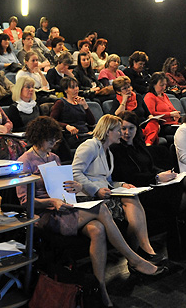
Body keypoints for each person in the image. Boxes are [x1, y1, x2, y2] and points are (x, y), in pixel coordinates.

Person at [17, 116, 164, 308]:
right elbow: (24, 201)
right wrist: (50, 201)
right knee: (102, 208)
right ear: (38, 137)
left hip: (65, 207)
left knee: (97, 230)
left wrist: (75, 187)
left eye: (55, 138)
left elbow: (63, 186)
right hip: (45, 215)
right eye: (50, 138)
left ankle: (100, 291)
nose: (54, 142)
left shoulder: (54, 158)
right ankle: (135, 260)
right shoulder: (25, 161)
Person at [112, 111, 186, 260]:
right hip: (142, 192)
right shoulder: (116, 149)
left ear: (137, 129)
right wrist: (156, 177)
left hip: (155, 185)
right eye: (123, 128)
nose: (126, 132)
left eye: (131, 128)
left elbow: (151, 166)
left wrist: (165, 173)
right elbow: (128, 177)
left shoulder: (139, 144)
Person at [72, 114, 167, 266]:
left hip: (103, 193)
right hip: (87, 197)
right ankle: (142, 251)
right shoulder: (89, 146)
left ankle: (143, 249)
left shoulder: (107, 151)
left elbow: (108, 181)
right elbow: (75, 173)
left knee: (132, 197)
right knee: (131, 204)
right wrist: (96, 190)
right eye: (118, 130)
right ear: (108, 131)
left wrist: (122, 184)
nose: (122, 133)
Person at [51, 76, 96, 149]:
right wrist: (66, 126)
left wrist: (85, 106)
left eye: (77, 86)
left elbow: (92, 122)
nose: (76, 89)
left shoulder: (80, 103)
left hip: (85, 134)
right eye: (72, 87)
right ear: (66, 90)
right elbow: (52, 121)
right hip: (71, 136)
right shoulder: (60, 103)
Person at [143, 72, 180, 145]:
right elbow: (151, 113)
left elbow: (172, 109)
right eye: (161, 85)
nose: (164, 87)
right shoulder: (150, 96)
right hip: (162, 125)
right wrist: (170, 114)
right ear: (154, 85)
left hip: (172, 123)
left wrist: (176, 114)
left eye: (165, 85)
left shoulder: (164, 95)